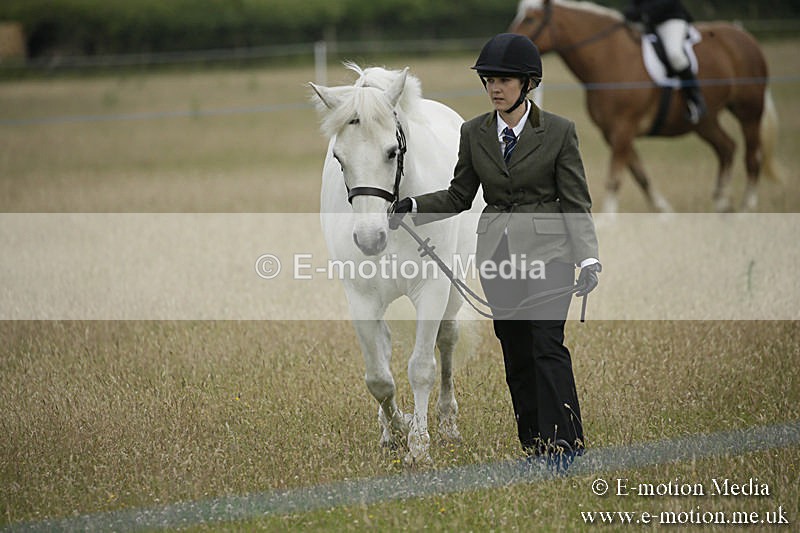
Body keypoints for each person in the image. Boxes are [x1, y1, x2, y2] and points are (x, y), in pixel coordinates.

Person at [390, 33, 600, 471]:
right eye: (489, 80)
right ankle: (534, 447)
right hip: (498, 257)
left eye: (504, 80)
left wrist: (588, 257)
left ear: (528, 83)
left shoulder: (560, 132)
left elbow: (577, 201)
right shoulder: (474, 133)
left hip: (551, 255)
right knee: (516, 350)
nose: (494, 88)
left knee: (546, 345)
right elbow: (458, 196)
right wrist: (412, 206)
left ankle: (567, 448)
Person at [623, 0, 707, 123]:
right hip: (648, 24)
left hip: (670, 20)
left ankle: (696, 99)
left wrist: (642, 12)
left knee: (675, 55)